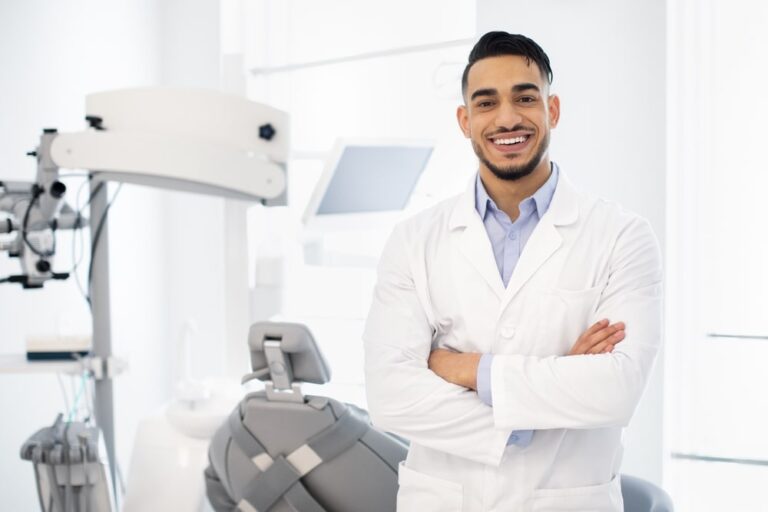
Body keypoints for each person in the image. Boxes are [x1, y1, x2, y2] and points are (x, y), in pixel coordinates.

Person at [363, 31, 662, 512]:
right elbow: (390, 395)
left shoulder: (622, 236)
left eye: (525, 98)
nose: (506, 118)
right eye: (486, 103)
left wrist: (463, 368)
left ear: (553, 111)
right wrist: (538, 404)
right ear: (465, 120)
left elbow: (616, 390)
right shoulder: (414, 241)